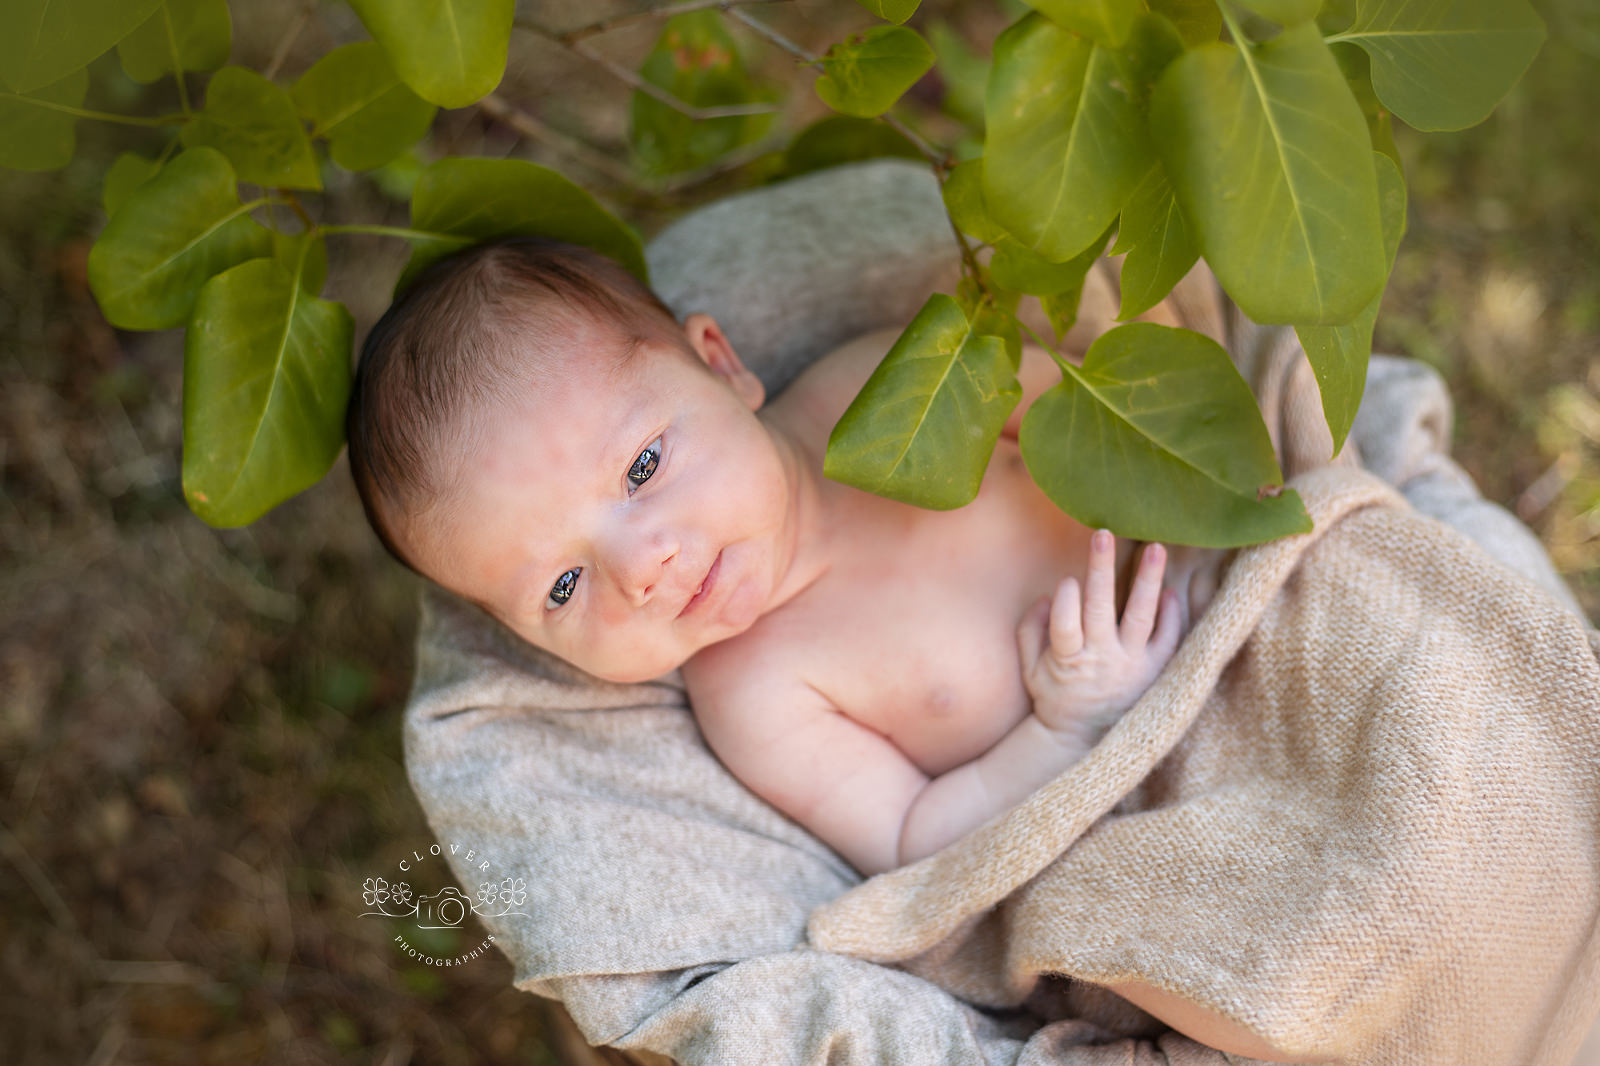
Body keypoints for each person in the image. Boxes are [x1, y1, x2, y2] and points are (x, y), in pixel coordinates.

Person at [346, 235, 1312, 1061]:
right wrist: (1068, 723)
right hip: (1131, 805)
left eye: (643, 466)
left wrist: (1202, 547)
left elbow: (1103, 427)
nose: (644, 566)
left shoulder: (884, 386)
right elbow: (914, 842)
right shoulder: (752, 689)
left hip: (1233, 612)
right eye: (562, 585)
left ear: (722, 366)